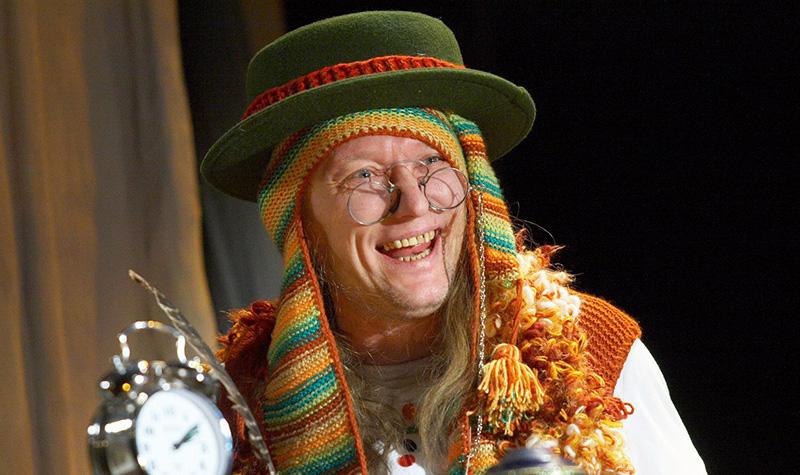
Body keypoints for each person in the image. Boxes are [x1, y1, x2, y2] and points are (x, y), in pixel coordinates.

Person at [203, 11, 705, 475]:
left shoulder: (590, 358)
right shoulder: (239, 417)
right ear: (298, 223)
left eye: (431, 163)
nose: (413, 203)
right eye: (364, 176)